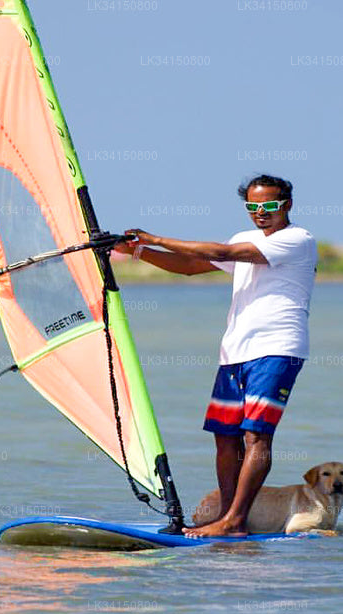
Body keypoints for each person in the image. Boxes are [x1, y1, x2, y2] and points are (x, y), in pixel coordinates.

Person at [116, 174, 317, 537]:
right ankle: (227, 518)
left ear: (286, 205)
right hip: (235, 351)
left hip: (277, 349)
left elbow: (222, 253)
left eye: (269, 206)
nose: (261, 213)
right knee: (225, 436)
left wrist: (155, 237)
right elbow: (193, 266)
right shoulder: (246, 237)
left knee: (257, 437)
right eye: (253, 207)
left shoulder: (298, 240)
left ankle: (236, 520)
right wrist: (138, 251)